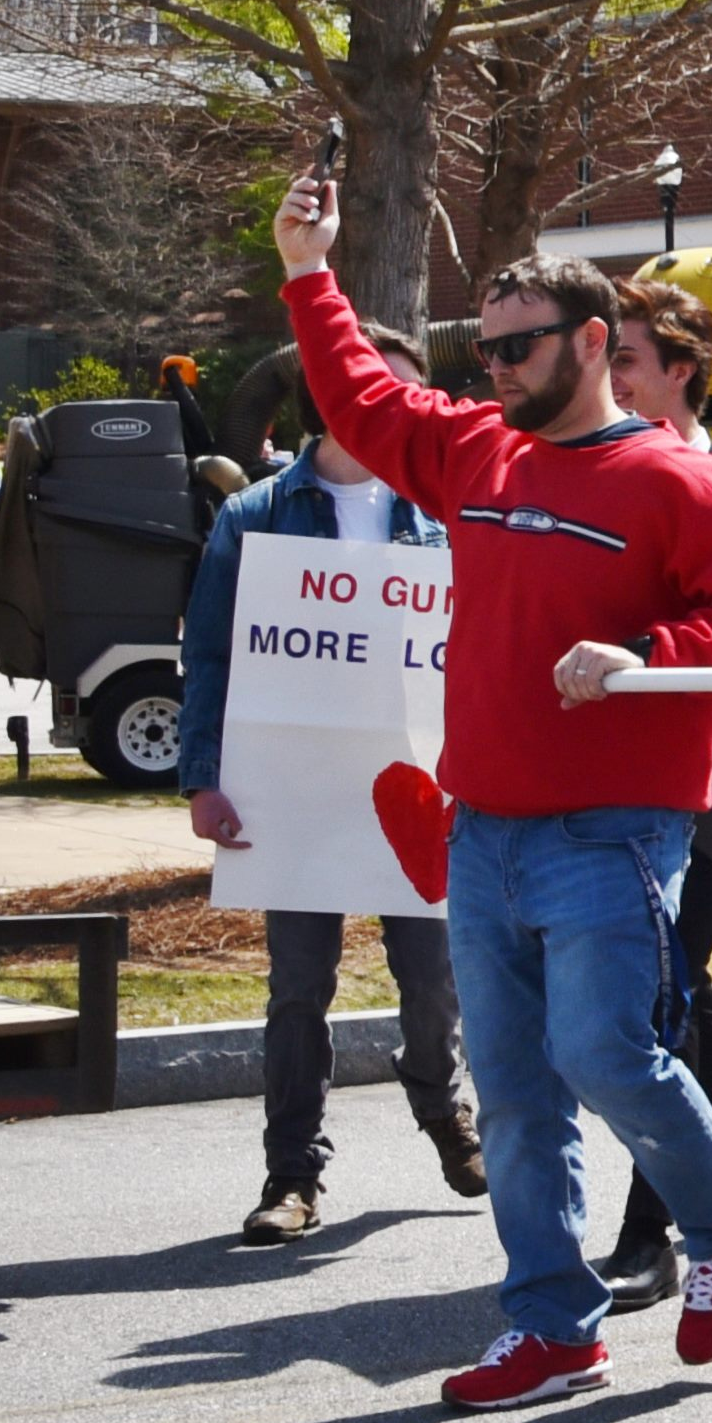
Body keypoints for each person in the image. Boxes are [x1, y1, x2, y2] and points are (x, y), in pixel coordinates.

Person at [270, 174, 712, 1410]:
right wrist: (309, 269)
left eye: (518, 347)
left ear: (588, 344)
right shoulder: (473, 447)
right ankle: (553, 1324)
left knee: (604, 1052)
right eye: (483, 348)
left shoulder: (679, 480)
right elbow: (360, 393)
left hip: (614, 827)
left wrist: (647, 660)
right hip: (486, 825)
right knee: (513, 1091)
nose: (497, 367)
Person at [181, 331, 481, 1244]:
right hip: (294, 790)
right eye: (393, 396)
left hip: (419, 788)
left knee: (433, 984)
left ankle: (440, 1105)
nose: (414, 416)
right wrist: (202, 778)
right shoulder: (260, 514)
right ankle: (292, 1176)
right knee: (296, 991)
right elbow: (212, 654)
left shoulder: (445, 510)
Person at [589, 285, 712, 1316]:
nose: (609, 374)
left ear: (681, 367)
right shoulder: (585, 484)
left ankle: (648, 1234)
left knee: (656, 1000)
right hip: (601, 780)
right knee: (674, 995)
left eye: (625, 356)